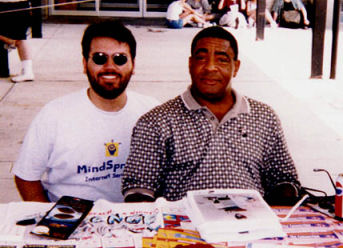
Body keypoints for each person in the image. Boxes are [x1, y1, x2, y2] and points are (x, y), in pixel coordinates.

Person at [122, 26, 301, 205]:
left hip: (252, 225)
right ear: (190, 64)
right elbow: (139, 189)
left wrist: (274, 211)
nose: (210, 67)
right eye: (201, 58)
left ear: (236, 67)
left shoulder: (264, 117)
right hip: (184, 228)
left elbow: (284, 178)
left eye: (222, 60)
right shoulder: (156, 122)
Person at [12, 20, 160, 202]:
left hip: (137, 221)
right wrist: (49, 221)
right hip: (71, 222)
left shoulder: (152, 112)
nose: (109, 67)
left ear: (133, 65)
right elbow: (26, 177)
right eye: (99, 58)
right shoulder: (54, 115)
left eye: (120, 59)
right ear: (84, 64)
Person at [0, 0, 35, 82]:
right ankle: (27, 71)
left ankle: (28, 72)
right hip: (19, 5)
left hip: (14, 5)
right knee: (20, 39)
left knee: (20, 39)